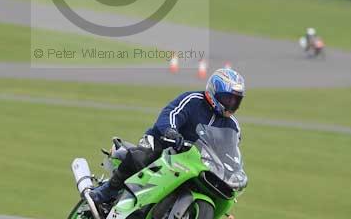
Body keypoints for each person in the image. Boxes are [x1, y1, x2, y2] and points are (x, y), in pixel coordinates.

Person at [89, 66, 245, 209]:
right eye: (228, 98)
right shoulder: (193, 100)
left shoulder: (233, 126)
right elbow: (171, 113)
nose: (231, 104)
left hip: (196, 161)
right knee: (142, 157)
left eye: (235, 100)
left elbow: (230, 150)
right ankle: (107, 191)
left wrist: (235, 170)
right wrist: (171, 131)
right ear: (214, 91)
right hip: (166, 143)